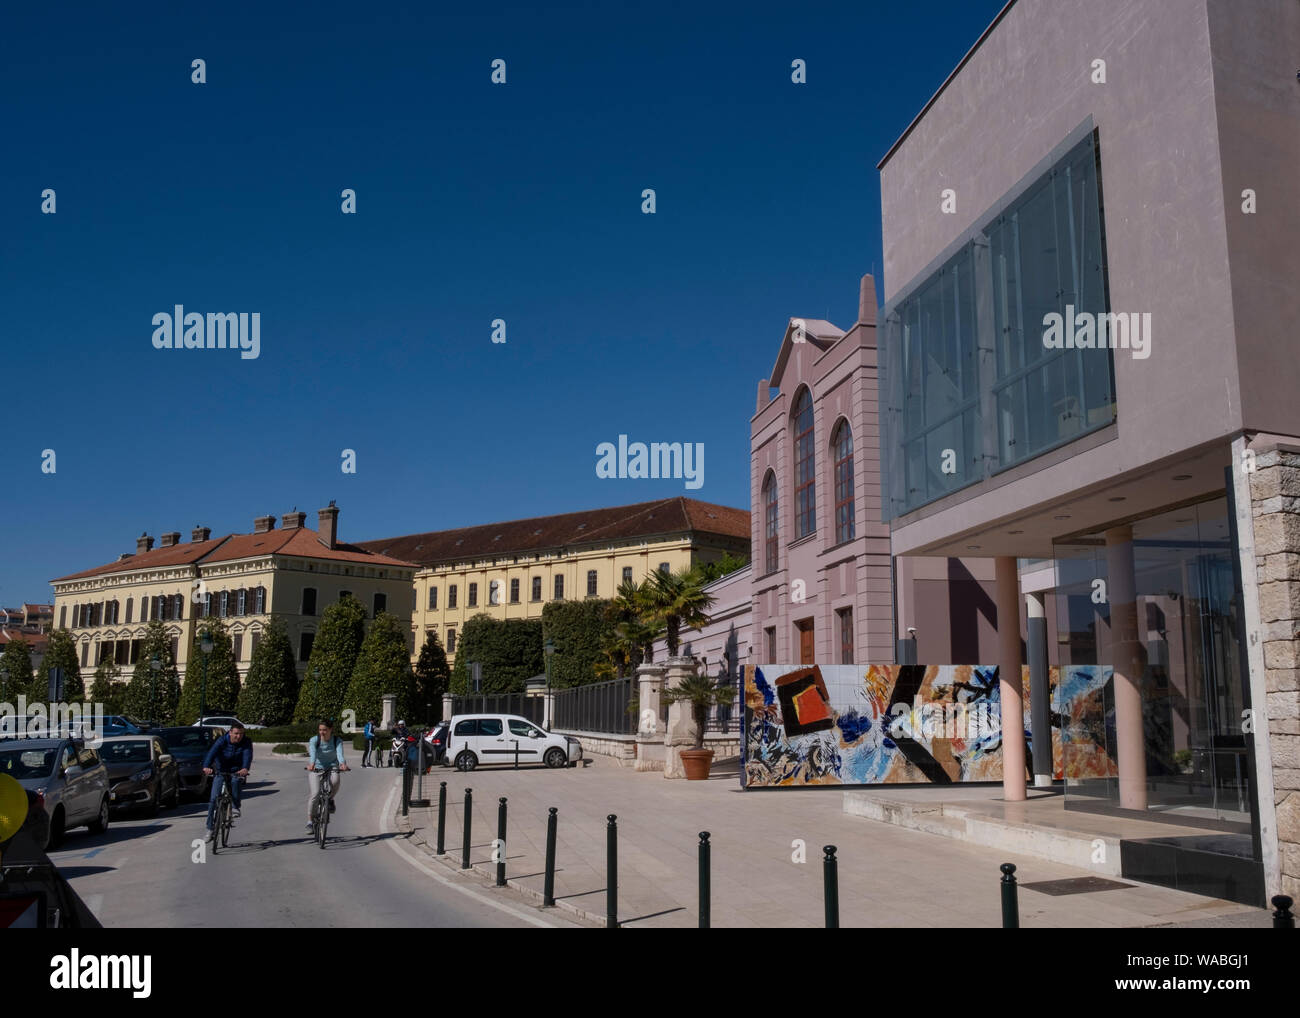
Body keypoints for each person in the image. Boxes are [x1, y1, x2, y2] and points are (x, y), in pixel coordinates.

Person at [203, 722, 253, 842]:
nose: (238, 736)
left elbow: (247, 755)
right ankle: (210, 830)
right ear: (230, 732)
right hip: (221, 770)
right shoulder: (222, 741)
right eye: (236, 733)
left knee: (236, 782)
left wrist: (245, 768)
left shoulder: (246, 742)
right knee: (214, 800)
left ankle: (236, 806)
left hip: (237, 771)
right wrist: (206, 766)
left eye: (241, 734)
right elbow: (212, 753)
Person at [306, 718, 350, 832]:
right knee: (315, 794)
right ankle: (310, 821)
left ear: (331, 730)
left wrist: (342, 764)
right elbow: (313, 753)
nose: (322, 732)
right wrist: (311, 764)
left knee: (335, 781)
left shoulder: (337, 740)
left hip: (332, 766)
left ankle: (330, 799)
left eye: (325, 730)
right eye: (320, 730)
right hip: (316, 768)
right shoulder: (314, 740)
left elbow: (340, 754)